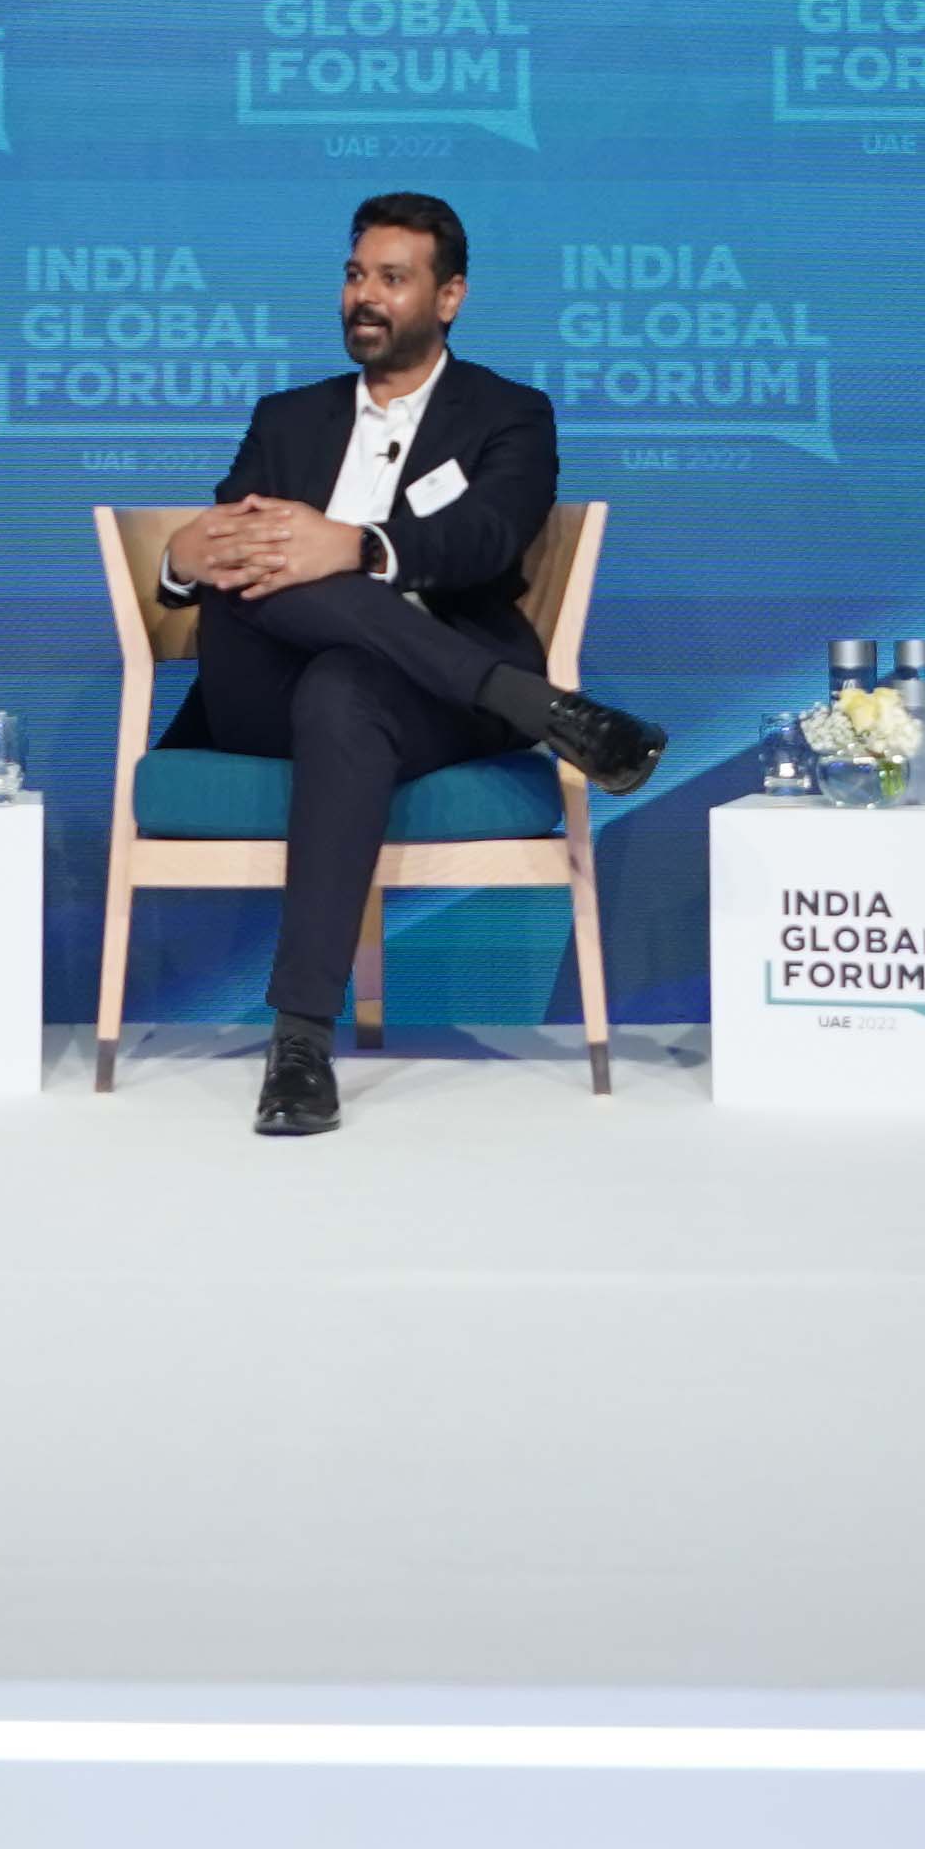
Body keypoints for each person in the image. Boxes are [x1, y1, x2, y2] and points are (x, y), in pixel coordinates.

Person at [157, 194, 665, 1140]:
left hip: (422, 704)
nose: (366, 296)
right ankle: (541, 707)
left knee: (345, 687)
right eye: (356, 275)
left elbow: (486, 538)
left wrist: (358, 547)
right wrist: (178, 563)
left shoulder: (509, 415)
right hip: (262, 690)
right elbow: (231, 548)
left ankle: (299, 1042)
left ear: (450, 296)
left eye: (393, 279)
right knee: (272, 579)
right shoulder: (287, 418)